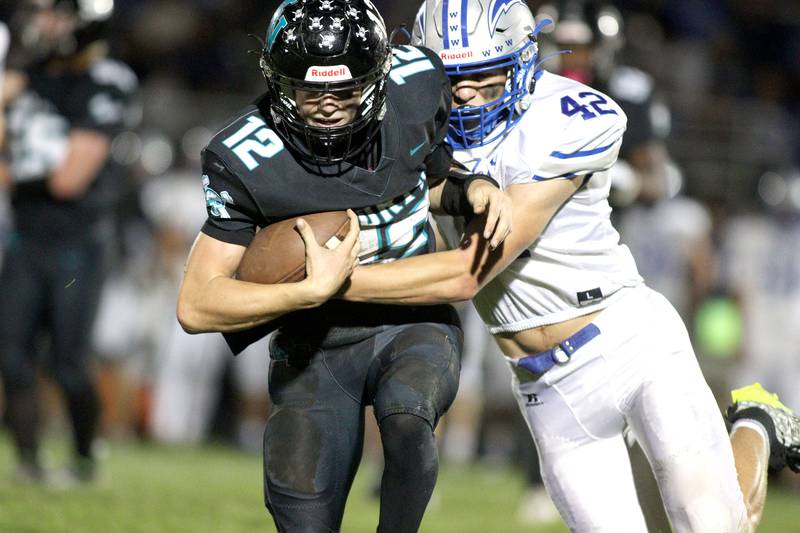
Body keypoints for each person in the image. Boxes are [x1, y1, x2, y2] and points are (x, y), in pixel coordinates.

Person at [338, 1, 800, 531]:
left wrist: (331, 284)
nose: (462, 90)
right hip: (546, 388)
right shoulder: (410, 124)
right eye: (450, 74)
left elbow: (468, 273)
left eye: (481, 72)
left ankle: (756, 421)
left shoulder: (566, 117)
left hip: (628, 342)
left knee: (712, 525)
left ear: (520, 60)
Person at [176, 1, 510, 531]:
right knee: (303, 516)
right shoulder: (243, 156)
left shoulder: (419, 82)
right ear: (278, 83)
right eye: (310, 92)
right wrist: (303, 293)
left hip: (412, 318)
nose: (328, 106)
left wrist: (472, 187)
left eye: (346, 91)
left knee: (407, 420)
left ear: (378, 77)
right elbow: (196, 304)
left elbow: (428, 171)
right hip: (315, 340)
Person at [0, 0, 137, 484]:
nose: (44, 23)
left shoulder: (106, 80)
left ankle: (84, 458)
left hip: (77, 241)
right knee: (11, 357)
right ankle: (29, 463)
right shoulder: (25, 72)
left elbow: (68, 180)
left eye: (55, 13)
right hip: (25, 235)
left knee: (69, 364)